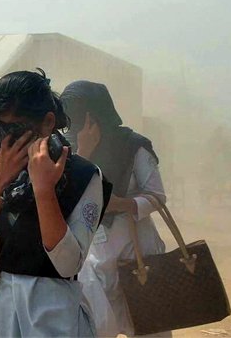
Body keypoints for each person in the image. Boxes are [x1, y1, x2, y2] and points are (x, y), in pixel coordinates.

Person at [0, 70, 111, 337]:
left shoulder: (83, 176)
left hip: (55, 320)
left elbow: (67, 264)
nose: (5, 141)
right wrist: (0, 180)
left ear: (46, 123)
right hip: (5, 316)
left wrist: (44, 191)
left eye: (15, 130)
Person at [60, 80, 169, 337]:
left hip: (137, 247)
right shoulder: (67, 149)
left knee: (149, 325)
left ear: (94, 114)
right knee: (97, 326)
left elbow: (157, 196)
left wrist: (121, 204)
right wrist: (84, 151)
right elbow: (65, 197)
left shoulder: (133, 146)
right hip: (93, 252)